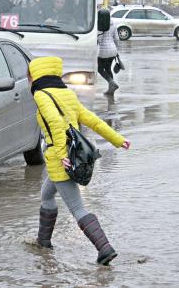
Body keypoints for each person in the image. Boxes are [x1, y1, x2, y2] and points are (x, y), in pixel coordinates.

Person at [28, 56, 130, 265]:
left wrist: (62, 157)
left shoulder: (41, 95)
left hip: (61, 157)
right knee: (46, 195)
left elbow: (56, 124)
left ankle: (105, 249)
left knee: (77, 208)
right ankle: (43, 242)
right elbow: (91, 119)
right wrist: (117, 139)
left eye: (29, 76)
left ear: (36, 75)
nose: (28, 80)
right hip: (72, 154)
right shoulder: (66, 93)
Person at [98, 17, 120, 95]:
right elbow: (117, 39)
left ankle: (111, 82)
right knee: (108, 69)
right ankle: (111, 89)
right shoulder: (113, 24)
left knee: (99, 68)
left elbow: (99, 39)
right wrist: (116, 49)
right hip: (113, 50)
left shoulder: (100, 25)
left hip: (103, 51)